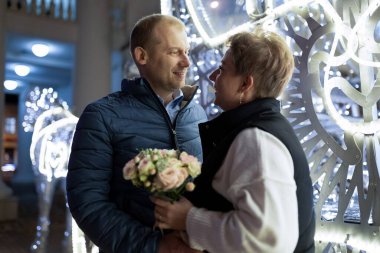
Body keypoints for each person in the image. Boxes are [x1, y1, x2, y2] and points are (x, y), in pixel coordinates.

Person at [153, 29, 316, 253]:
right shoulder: (258, 130)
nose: (212, 77)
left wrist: (188, 219)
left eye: (222, 70)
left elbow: (268, 241)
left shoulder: (257, 141)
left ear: (245, 85)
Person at [66, 14, 207, 253]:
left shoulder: (197, 113)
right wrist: (155, 246)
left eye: (187, 51)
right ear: (142, 56)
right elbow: (87, 202)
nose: (186, 62)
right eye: (175, 52)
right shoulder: (101, 116)